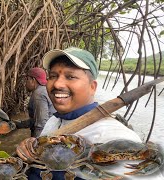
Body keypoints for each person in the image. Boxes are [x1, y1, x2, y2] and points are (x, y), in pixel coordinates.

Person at [16, 47, 160, 179]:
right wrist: (30, 149)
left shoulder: (115, 137)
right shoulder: (53, 121)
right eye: (53, 76)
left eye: (70, 76)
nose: (57, 84)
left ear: (92, 87)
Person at [15, 67, 55, 137]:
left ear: (33, 80)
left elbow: (41, 123)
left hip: (46, 134)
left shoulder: (38, 94)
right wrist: (19, 124)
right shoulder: (47, 90)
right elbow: (37, 119)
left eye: (27, 79)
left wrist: (36, 143)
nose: (26, 83)